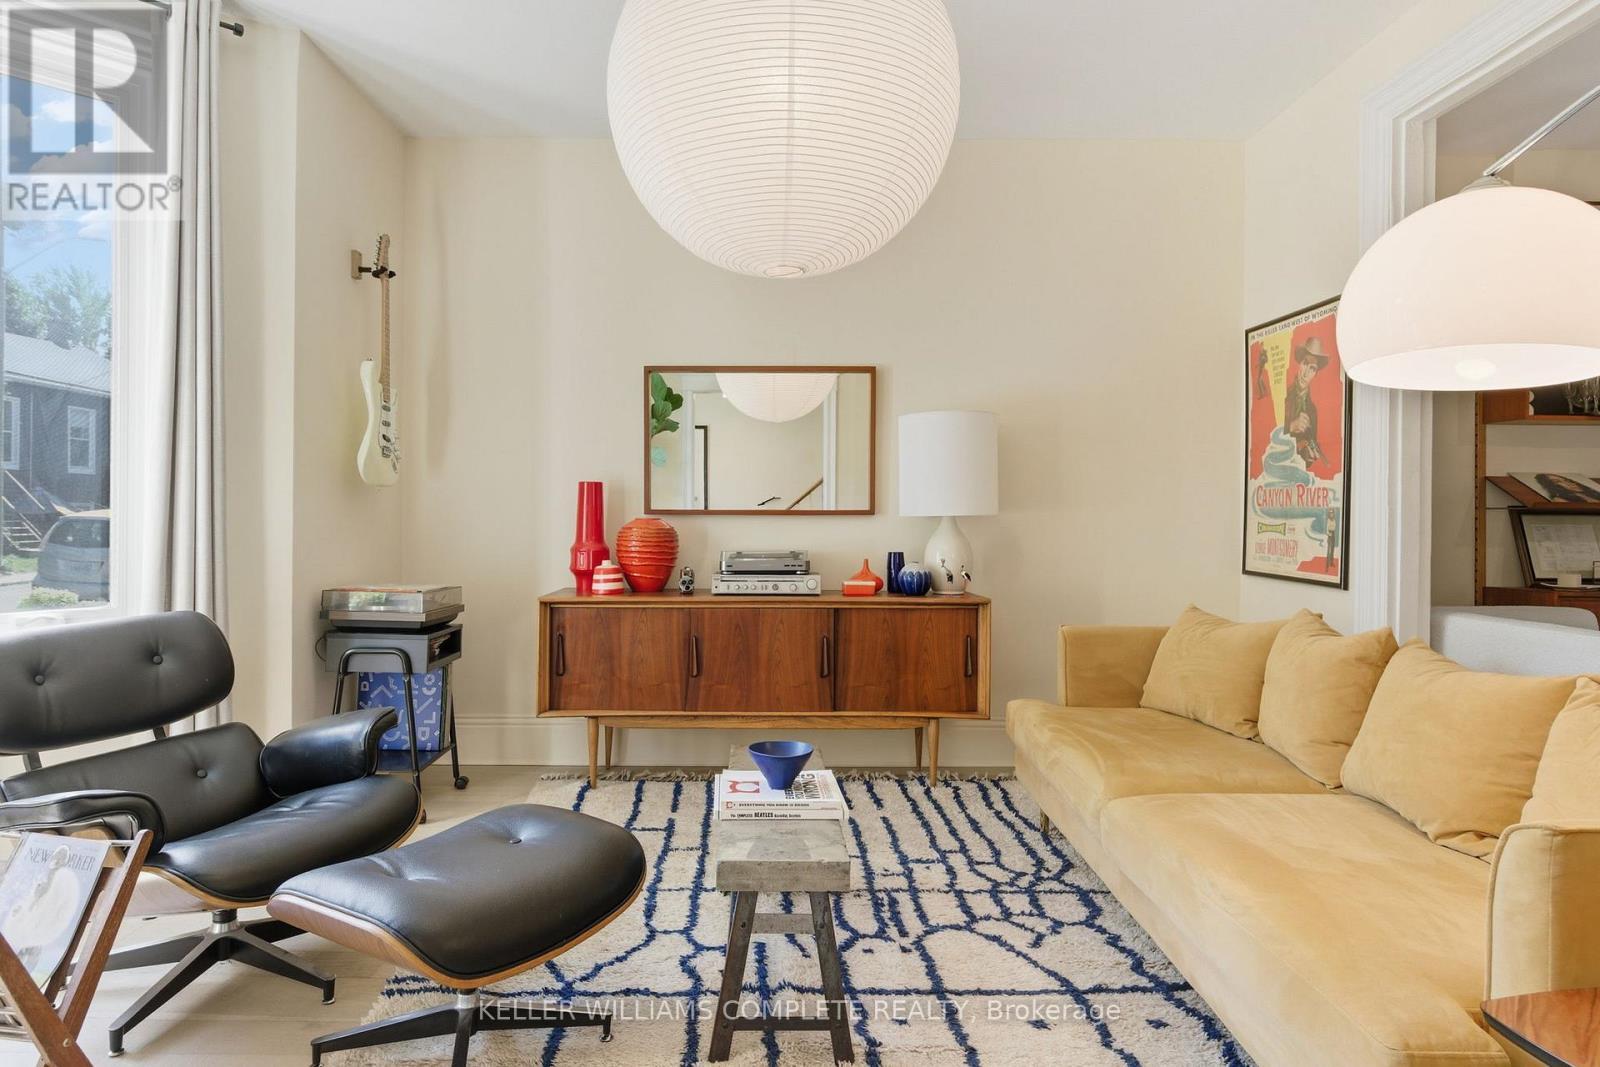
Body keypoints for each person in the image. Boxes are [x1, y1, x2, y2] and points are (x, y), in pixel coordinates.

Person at [1283, 337, 1330, 465]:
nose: (1306, 373)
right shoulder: (1283, 396)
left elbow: (1308, 462)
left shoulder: (1312, 411)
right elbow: (1265, 437)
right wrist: (1291, 426)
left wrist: (1308, 454)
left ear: (1315, 374)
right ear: (1299, 364)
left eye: (1312, 368)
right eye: (1305, 363)